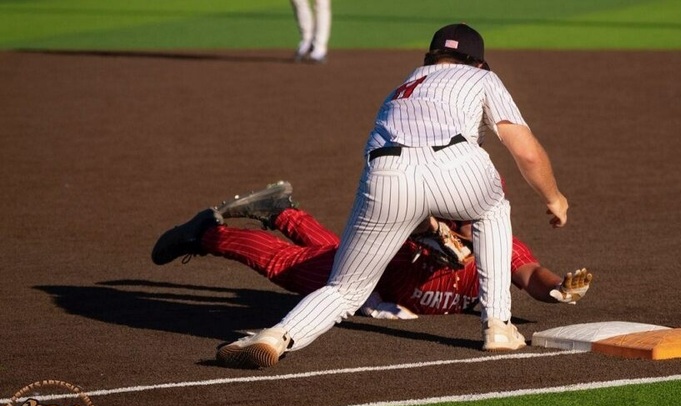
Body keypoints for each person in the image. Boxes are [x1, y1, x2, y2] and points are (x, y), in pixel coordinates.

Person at [194, 23, 567, 368]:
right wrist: (554, 198)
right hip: (458, 164)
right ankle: (498, 325)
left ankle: (277, 337)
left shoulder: (404, 86)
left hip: (386, 174)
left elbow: (415, 171)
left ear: (430, 57)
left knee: (345, 288)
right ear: (480, 62)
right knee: (493, 209)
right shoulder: (481, 77)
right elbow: (526, 152)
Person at [151, 182, 592, 325]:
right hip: (372, 276)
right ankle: (207, 234)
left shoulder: (498, 244)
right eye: (458, 218)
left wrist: (557, 289)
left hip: (379, 282)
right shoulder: (419, 231)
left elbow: (529, 273)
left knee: (329, 251)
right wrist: (431, 237)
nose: (468, 226)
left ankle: (282, 213)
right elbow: (414, 221)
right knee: (287, 265)